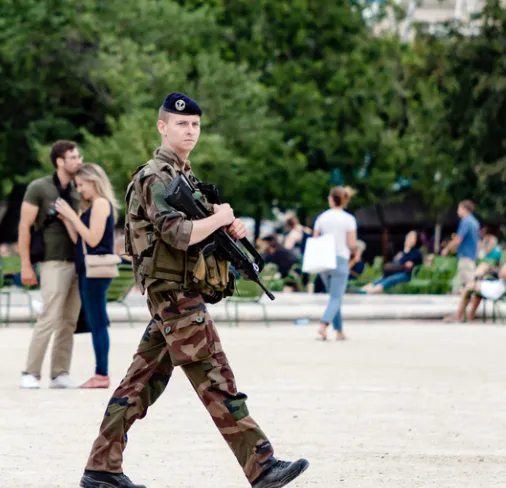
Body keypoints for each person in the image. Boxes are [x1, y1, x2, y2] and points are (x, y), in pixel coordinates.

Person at [79, 92, 308, 488]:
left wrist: (227, 224)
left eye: (195, 125)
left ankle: (101, 468)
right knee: (215, 378)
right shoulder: (156, 176)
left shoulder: (183, 176)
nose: (190, 130)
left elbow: (198, 232)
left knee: (140, 383)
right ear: (162, 127)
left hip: (174, 294)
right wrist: (218, 218)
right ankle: (262, 466)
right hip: (175, 294)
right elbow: (177, 233)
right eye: (181, 123)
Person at [17, 140, 83, 390]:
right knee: (49, 316)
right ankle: (30, 372)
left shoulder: (79, 187)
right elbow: (24, 226)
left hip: (77, 261)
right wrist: (26, 264)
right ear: (59, 161)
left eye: (78, 156)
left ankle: (60, 372)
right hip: (52, 261)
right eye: (73, 157)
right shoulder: (39, 187)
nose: (79, 161)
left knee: (70, 320)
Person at [55, 162, 119, 390]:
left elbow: (93, 239)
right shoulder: (92, 205)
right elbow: (80, 241)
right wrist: (68, 220)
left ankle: (102, 374)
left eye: (82, 184)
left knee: (98, 322)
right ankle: (101, 373)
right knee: (95, 320)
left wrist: (73, 217)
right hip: (88, 269)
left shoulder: (101, 203)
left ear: (94, 181)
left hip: (96, 272)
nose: (80, 189)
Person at [444, 243, 506, 322]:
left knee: (469, 286)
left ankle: (458, 315)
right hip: (504, 288)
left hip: (500, 290)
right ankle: (470, 314)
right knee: (477, 288)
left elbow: (502, 274)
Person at [313, 186, 357, 341]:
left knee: (334, 297)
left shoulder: (322, 217)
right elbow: (352, 244)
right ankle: (323, 325)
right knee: (336, 297)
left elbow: (316, 238)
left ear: (331, 199)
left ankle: (339, 331)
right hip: (341, 259)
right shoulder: (349, 219)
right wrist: (356, 251)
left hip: (324, 260)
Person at [440, 200, 480, 293]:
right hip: (471, 255)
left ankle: (474, 296)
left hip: (465, 255)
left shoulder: (466, 221)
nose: (458, 211)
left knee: (469, 281)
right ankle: (457, 294)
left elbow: (458, 239)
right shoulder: (475, 222)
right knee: (459, 280)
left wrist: (447, 249)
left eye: (459, 208)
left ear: (465, 209)